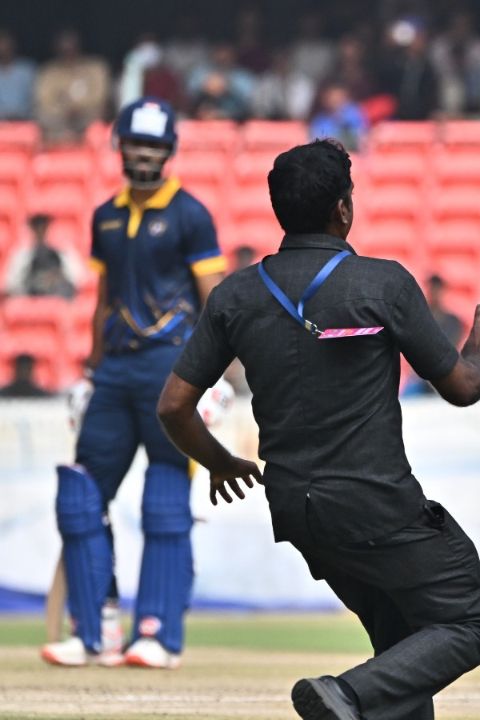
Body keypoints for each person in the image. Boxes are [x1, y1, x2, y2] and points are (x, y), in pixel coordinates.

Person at [155, 139, 480, 720]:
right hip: (375, 503)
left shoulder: (235, 295)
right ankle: (343, 695)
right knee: (465, 625)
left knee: (400, 647)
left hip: (298, 509)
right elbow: (462, 388)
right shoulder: (382, 284)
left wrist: (221, 462)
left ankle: (355, 699)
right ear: (343, 210)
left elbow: (173, 406)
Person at [41, 98, 225, 670]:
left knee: (165, 497)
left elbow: (215, 300)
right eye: (135, 146)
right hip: (115, 371)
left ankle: (158, 635)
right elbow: (103, 301)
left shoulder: (191, 214)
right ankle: (92, 631)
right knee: (80, 495)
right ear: (119, 147)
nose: (144, 157)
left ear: (169, 153)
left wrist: (213, 377)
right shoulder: (105, 216)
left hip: (171, 367)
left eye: (155, 148)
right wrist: (91, 371)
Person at [3, 213, 80, 298]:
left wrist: (54, 278)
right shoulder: (22, 254)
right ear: (31, 229)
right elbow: (11, 285)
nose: (40, 231)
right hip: (30, 298)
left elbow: (78, 280)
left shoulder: (63, 251)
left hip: (57, 297)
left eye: (44, 227)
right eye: (37, 227)